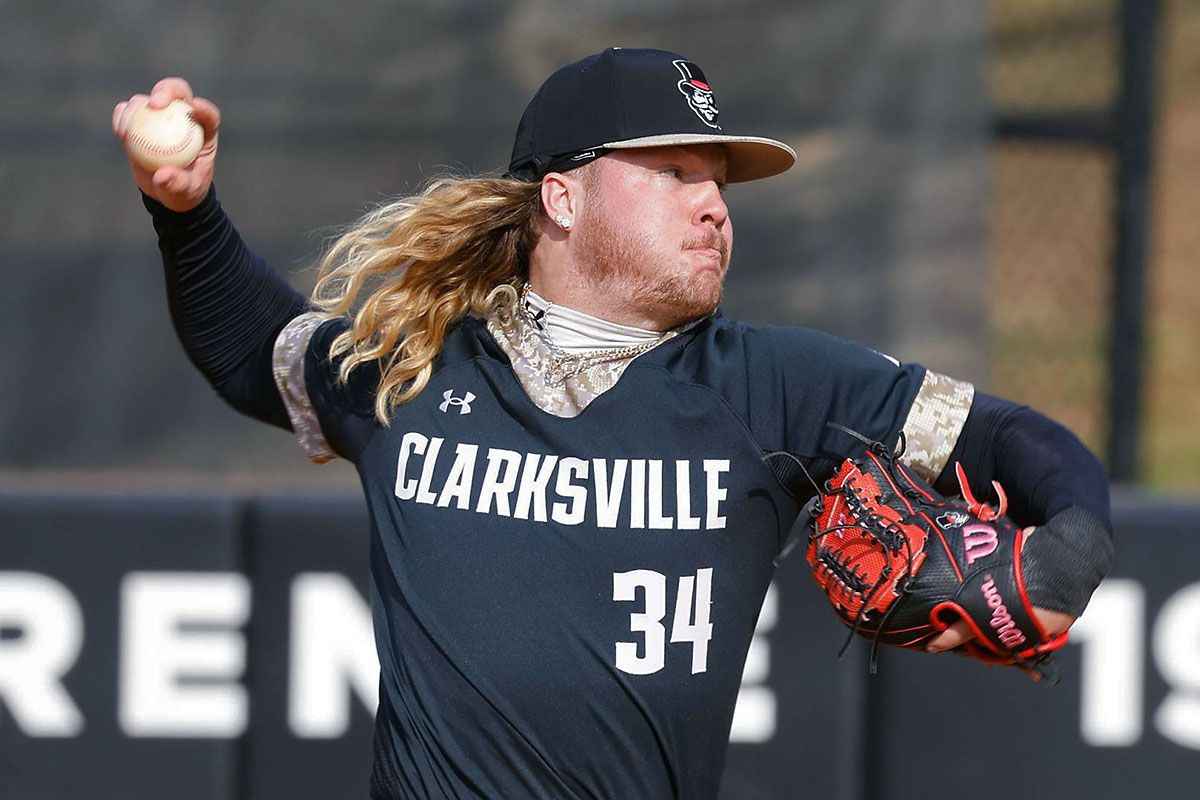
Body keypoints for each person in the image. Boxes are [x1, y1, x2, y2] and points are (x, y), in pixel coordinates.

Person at [113, 48, 1113, 800]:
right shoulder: (420, 362)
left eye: (718, 181)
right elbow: (255, 350)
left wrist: (1072, 546)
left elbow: (1008, 438)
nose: (714, 204)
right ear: (562, 193)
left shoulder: (776, 384)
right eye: (675, 172)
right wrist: (187, 210)